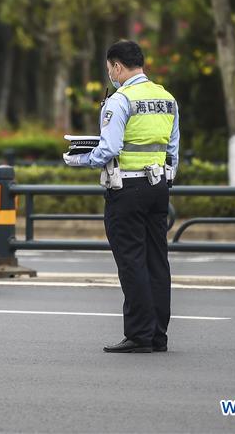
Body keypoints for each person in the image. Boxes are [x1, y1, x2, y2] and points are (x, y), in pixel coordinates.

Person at [63, 40, 180, 353]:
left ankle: (139, 335)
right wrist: (164, 181)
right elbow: (173, 150)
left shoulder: (120, 100)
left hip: (126, 190)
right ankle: (158, 335)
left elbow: (109, 149)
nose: (111, 74)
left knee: (132, 262)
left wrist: (78, 159)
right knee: (158, 261)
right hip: (158, 188)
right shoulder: (167, 98)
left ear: (116, 66)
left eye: (110, 69)